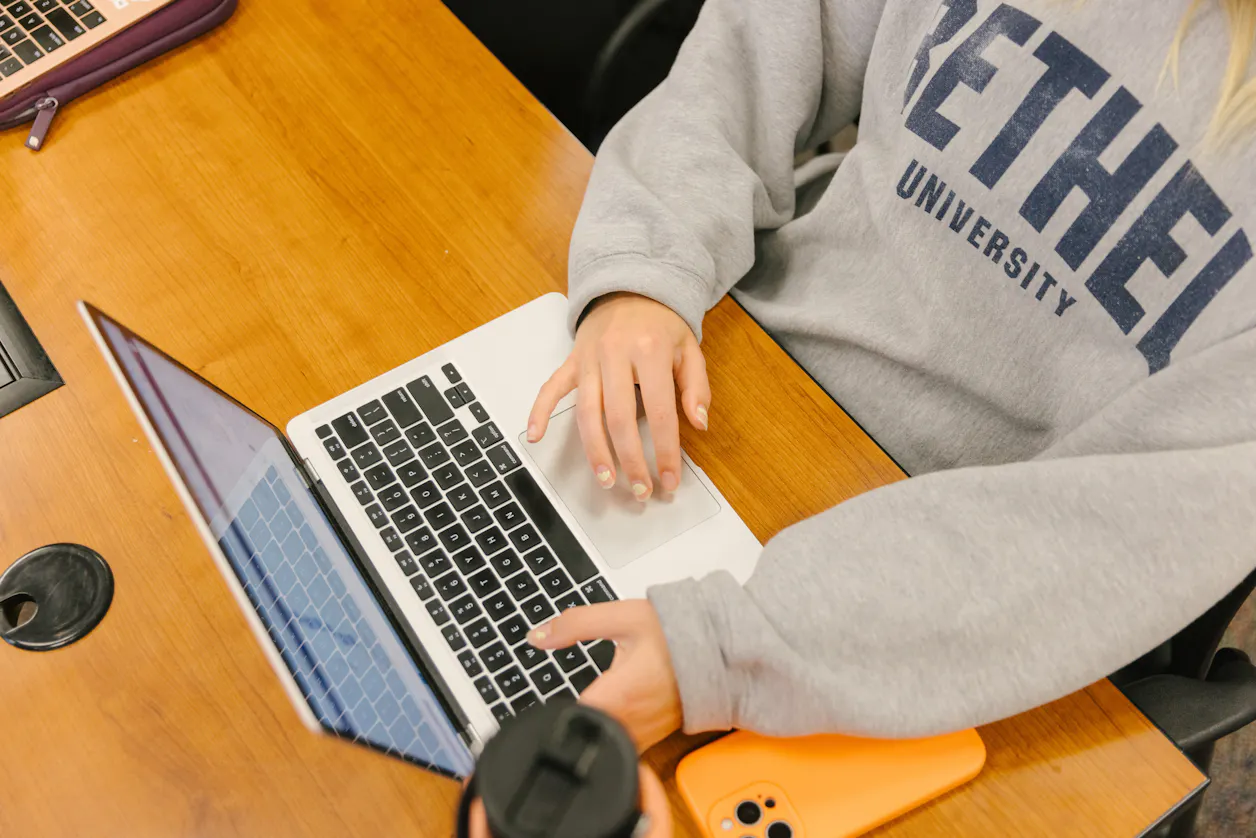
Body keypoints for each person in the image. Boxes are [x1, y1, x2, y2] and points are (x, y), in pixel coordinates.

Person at [518, 0, 1256, 751]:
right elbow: (756, 52)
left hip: (917, 610)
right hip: (720, 386)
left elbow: (1100, 537)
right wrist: (645, 272)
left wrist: (726, 647)